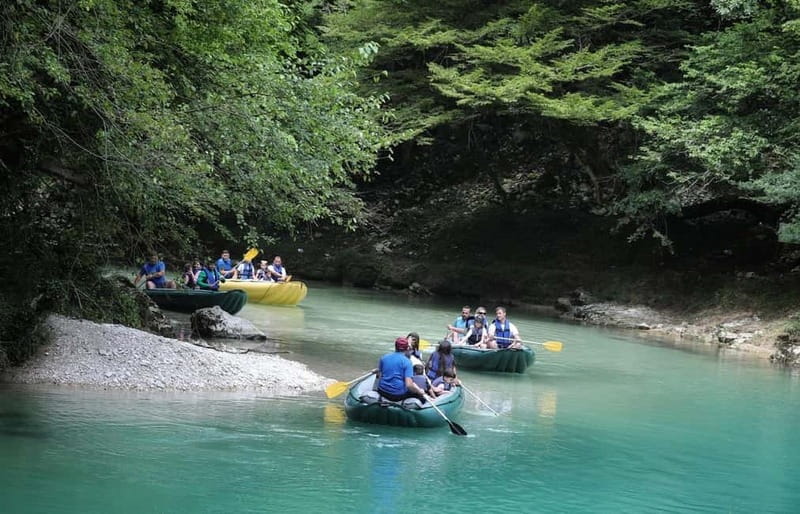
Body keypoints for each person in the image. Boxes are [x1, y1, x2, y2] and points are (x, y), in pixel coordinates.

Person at [375, 337, 427, 402]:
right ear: (407, 348)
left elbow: (379, 375)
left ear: (395, 346)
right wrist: (420, 392)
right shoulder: (407, 362)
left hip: (382, 390)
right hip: (397, 395)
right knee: (419, 396)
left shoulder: (384, 357)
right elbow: (409, 385)